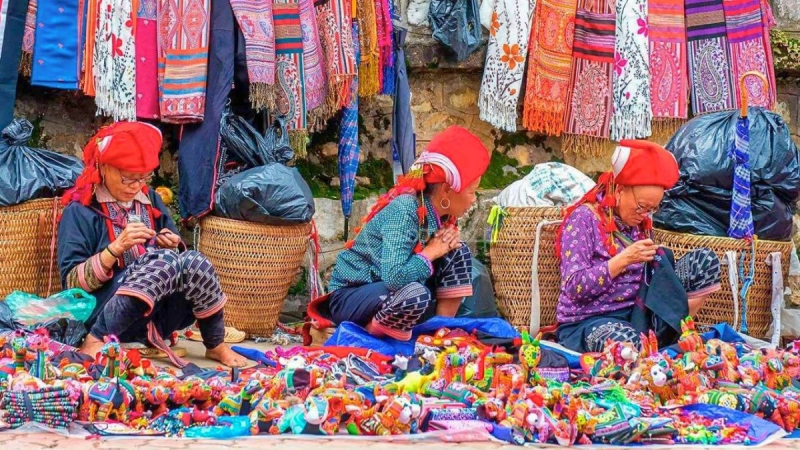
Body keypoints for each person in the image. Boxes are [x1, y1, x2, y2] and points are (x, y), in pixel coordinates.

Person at [57, 122, 245, 368]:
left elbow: (179, 263)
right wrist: (115, 249)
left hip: (157, 317)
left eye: (142, 178)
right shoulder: (81, 211)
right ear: (103, 167)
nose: (135, 187)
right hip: (102, 314)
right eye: (127, 179)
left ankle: (215, 343)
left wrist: (174, 244)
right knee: (162, 262)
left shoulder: (150, 200)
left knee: (194, 261)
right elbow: (71, 285)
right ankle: (94, 340)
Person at [307, 126, 490, 341]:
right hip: (356, 297)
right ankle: (361, 335)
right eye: (471, 191)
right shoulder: (404, 209)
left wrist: (442, 249)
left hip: (397, 296)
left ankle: (439, 335)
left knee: (458, 253)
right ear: (447, 190)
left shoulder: (440, 216)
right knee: (414, 295)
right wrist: (431, 252)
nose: (473, 199)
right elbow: (394, 278)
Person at [556, 140, 721, 353]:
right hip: (592, 321)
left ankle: (673, 333)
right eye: (641, 206)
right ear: (620, 190)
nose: (644, 215)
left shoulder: (640, 224)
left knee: (704, 262)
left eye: (652, 209)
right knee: (626, 342)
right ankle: (648, 347)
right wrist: (625, 259)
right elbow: (574, 287)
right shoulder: (584, 219)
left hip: (639, 315)